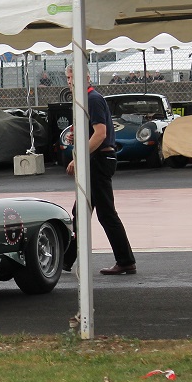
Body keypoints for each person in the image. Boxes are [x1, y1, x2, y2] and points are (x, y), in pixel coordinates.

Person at [62, 64, 136, 276]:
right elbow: (94, 132)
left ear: (86, 78)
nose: (70, 82)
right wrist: (77, 137)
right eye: (68, 78)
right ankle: (67, 260)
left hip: (99, 160)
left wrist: (79, 157)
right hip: (97, 159)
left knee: (105, 213)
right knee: (81, 212)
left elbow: (100, 134)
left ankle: (125, 260)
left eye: (73, 77)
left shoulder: (92, 99)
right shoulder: (85, 100)